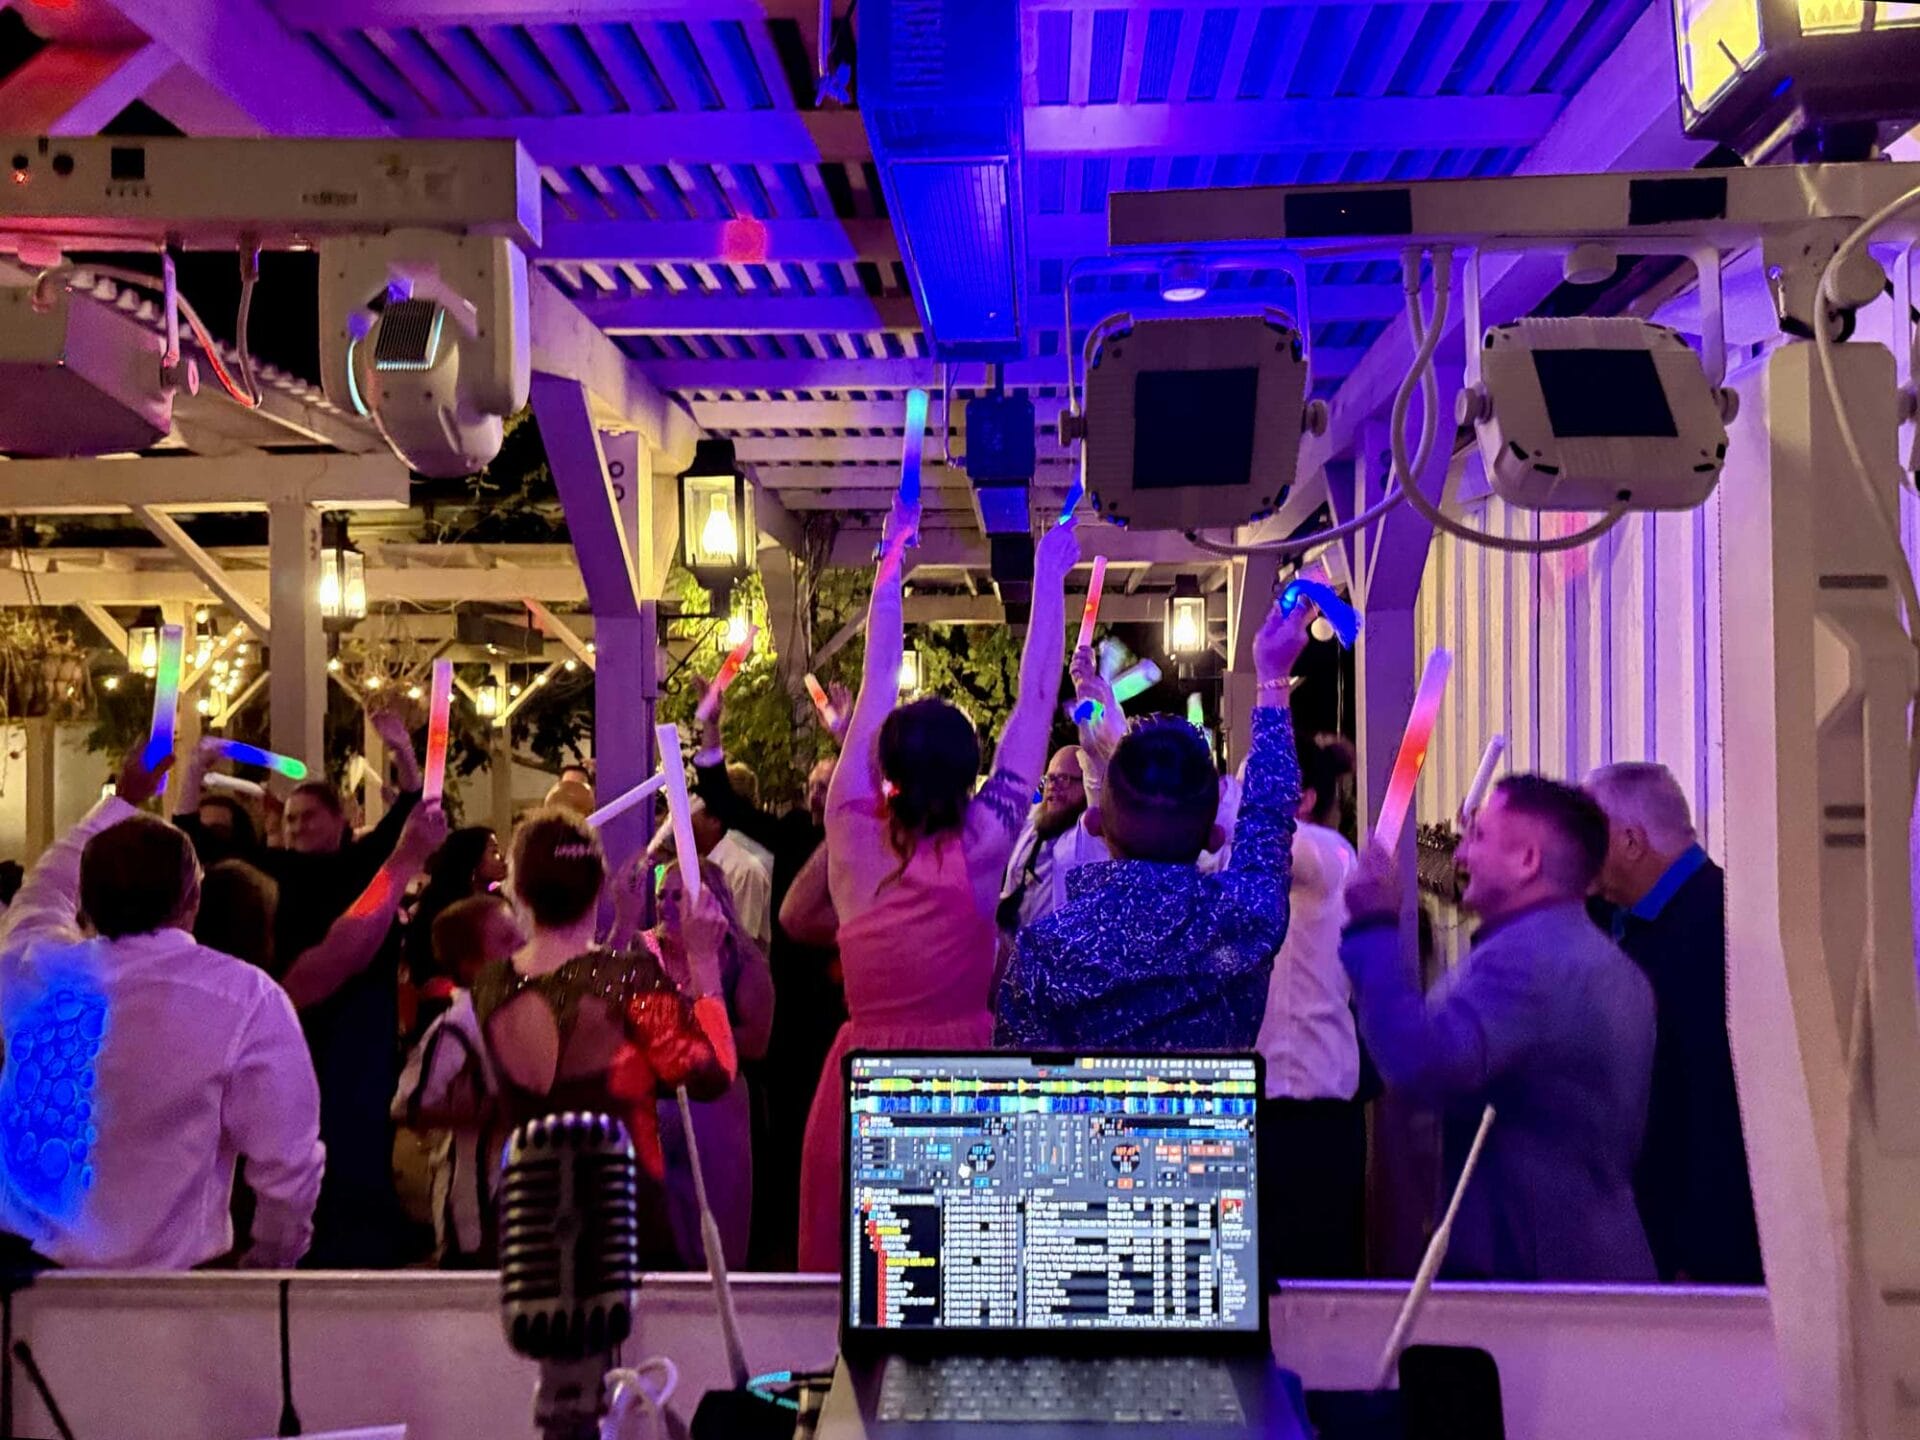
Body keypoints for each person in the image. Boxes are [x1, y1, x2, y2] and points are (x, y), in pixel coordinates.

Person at [795, 500, 1079, 1270]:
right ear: (968, 768)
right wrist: (1050, 576)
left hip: (861, 1075)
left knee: (858, 1292)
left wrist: (890, 569)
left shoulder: (848, 830)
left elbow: (877, 680)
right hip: (967, 1074)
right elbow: (1036, 699)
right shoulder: (987, 840)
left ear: (882, 766)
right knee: (963, 1285)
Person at [0, 750, 322, 1269]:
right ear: (192, 901)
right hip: (170, 1292)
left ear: (87, 901)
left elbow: (43, 887)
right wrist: (269, 1260)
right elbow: (288, 1167)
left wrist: (123, 800)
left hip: (20, 1281)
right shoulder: (246, 999)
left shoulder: (31, 965)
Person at [1342, 775, 1657, 1283]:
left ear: (1528, 860)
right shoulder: (1610, 964)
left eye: (1479, 837)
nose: (1459, 854)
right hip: (1595, 1260)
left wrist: (1373, 929)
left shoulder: (1524, 963)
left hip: (1531, 1282)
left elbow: (1418, 1062)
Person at [994, 597, 1311, 1051]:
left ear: (1096, 821)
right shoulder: (1243, 919)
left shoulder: (1047, 951)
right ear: (1214, 834)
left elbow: (1020, 1094)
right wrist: (1273, 679)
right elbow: (1268, 811)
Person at [476, 808, 738, 1268]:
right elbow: (714, 1073)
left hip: (528, 1225)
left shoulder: (492, 982)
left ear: (517, 889)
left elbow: (580, 984)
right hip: (620, 1228)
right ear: (599, 884)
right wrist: (704, 963)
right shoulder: (631, 979)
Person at [1585, 762, 1761, 1285]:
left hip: (1698, 1256)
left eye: (1585, 835)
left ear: (1632, 842)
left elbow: (1718, 1107)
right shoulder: (1644, 920)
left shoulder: (1711, 931)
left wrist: (1702, 1256)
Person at [694, 690, 846, 1270]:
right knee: (786, 1134)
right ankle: (787, 1245)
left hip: (839, 1007)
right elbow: (724, 804)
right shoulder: (790, 835)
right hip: (790, 1013)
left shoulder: (868, 845)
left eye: (826, 784)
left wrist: (847, 737)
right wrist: (709, 730)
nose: (813, 792)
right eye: (810, 783)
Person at [1257, 733, 1366, 1279]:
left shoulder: (1322, 850)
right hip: (1270, 1109)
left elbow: (1251, 837)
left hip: (1309, 1115)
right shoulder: (1265, 863)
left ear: (1301, 800)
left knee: (1315, 1289)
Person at [637, 857, 774, 1270]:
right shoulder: (641, 953)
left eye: (678, 895)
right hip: (653, 1107)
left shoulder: (742, 959)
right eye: (661, 895)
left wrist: (702, 1024)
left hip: (717, 1108)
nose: (665, 905)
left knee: (716, 1223)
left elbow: (757, 1043)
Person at [392, 893, 524, 1267]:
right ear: (471, 967)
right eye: (507, 942)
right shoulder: (457, 1026)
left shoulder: (520, 1009)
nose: (522, 948)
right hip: (474, 1201)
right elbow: (407, 1103)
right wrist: (481, 1112)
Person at [405, 826, 507, 1028]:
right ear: (473, 860)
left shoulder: (499, 903)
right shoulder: (442, 910)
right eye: (493, 852)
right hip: (450, 1011)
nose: (501, 858)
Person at [995, 744, 1094, 943]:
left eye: (1065, 779)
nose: (1053, 785)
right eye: (1050, 778)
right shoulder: (1029, 823)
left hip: (1054, 960)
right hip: (1008, 953)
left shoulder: (1089, 838)